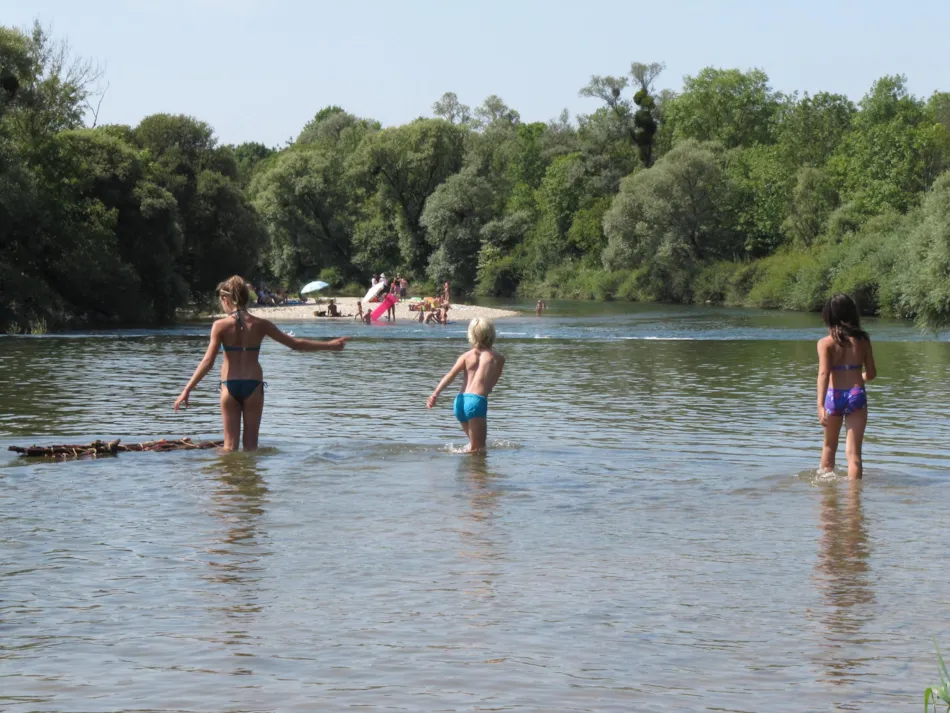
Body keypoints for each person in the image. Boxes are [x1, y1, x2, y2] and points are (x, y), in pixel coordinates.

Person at [174, 275, 348, 451]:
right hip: (253, 387)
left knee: (229, 448)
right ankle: (251, 478)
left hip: (229, 386)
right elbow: (295, 344)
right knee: (251, 448)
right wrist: (330, 345)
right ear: (246, 297)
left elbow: (207, 362)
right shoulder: (261, 324)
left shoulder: (220, 326)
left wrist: (187, 389)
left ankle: (227, 477)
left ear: (226, 299)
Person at [817, 293, 877, 479]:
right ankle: (854, 501)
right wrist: (860, 379)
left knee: (829, 447)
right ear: (853, 313)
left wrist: (820, 405)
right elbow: (872, 373)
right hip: (856, 394)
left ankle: (827, 501)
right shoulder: (863, 340)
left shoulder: (825, 343)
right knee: (854, 455)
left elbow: (824, 374)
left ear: (829, 315)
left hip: (833, 396)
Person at [427, 317, 505, 453]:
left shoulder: (465, 356)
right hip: (476, 401)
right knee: (479, 451)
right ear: (492, 333)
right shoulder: (497, 358)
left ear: (471, 334)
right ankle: (477, 473)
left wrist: (435, 394)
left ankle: (466, 470)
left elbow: (450, 375)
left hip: (460, 401)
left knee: (474, 447)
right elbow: (492, 383)